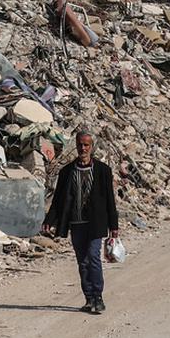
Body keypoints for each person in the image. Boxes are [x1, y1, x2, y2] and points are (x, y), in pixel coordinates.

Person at [42, 129, 119, 314]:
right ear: (76, 146)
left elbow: (109, 199)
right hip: (76, 223)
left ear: (92, 147)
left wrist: (113, 226)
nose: (83, 148)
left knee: (93, 258)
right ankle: (88, 298)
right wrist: (49, 220)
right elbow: (59, 198)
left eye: (86, 145)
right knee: (82, 262)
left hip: (95, 223)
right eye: (80, 145)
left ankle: (98, 297)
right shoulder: (67, 171)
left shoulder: (102, 170)